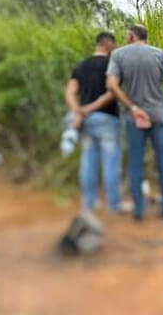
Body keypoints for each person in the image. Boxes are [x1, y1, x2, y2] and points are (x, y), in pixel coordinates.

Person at [106, 25, 163, 221]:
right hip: (159, 115)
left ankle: (138, 210)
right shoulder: (159, 54)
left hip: (134, 117)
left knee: (136, 162)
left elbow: (111, 85)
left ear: (131, 36)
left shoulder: (118, 55)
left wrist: (131, 106)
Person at [64, 32, 121, 214]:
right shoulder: (112, 65)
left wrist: (78, 111)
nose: (115, 48)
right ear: (107, 44)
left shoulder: (81, 65)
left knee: (88, 162)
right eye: (114, 44)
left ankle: (87, 205)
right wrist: (90, 108)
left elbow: (70, 92)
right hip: (107, 119)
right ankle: (113, 206)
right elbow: (113, 92)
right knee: (110, 163)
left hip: (86, 121)